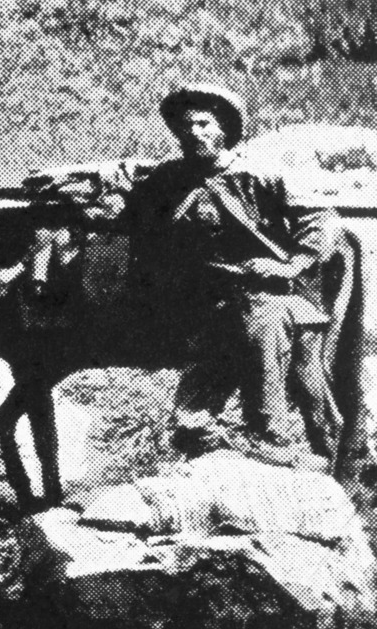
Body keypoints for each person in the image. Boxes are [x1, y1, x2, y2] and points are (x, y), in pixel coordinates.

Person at [117, 83, 336, 465]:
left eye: (203, 124)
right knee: (189, 422)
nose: (193, 133)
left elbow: (319, 218)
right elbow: (133, 213)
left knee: (274, 384)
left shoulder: (261, 174)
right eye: (185, 126)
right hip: (208, 306)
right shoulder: (169, 178)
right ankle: (227, 461)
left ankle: (278, 446)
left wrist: (290, 264)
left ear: (224, 129)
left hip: (269, 298)